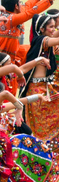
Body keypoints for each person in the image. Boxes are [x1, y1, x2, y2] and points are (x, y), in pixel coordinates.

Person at [0, 0, 56, 64]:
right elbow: (31, 12)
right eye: (20, 3)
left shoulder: (11, 14)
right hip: (0, 49)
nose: (22, 5)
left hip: (3, 47)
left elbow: (26, 7)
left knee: (27, 50)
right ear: (16, 6)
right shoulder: (12, 18)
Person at [21, 12, 59, 141]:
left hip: (45, 87)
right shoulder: (41, 40)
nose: (54, 30)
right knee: (39, 126)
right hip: (36, 89)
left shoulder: (47, 44)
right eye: (51, 27)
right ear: (42, 29)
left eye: (55, 26)